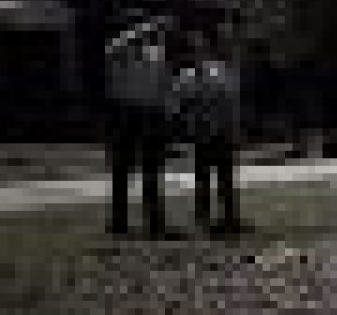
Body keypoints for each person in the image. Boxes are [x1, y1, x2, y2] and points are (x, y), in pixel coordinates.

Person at [103, 14, 178, 237]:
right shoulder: (119, 51)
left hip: (151, 113)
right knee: (121, 169)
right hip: (126, 112)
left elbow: (165, 85)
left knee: (152, 170)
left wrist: (167, 116)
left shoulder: (156, 55)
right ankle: (119, 221)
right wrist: (144, 28)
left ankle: (154, 219)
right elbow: (113, 49)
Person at [176, 29, 245, 237]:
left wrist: (233, 127)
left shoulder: (221, 72)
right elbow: (179, 105)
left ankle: (229, 216)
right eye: (194, 49)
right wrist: (189, 124)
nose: (198, 52)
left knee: (225, 177)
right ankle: (203, 217)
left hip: (221, 130)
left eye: (201, 48)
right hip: (200, 132)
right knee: (202, 177)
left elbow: (231, 102)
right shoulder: (185, 77)